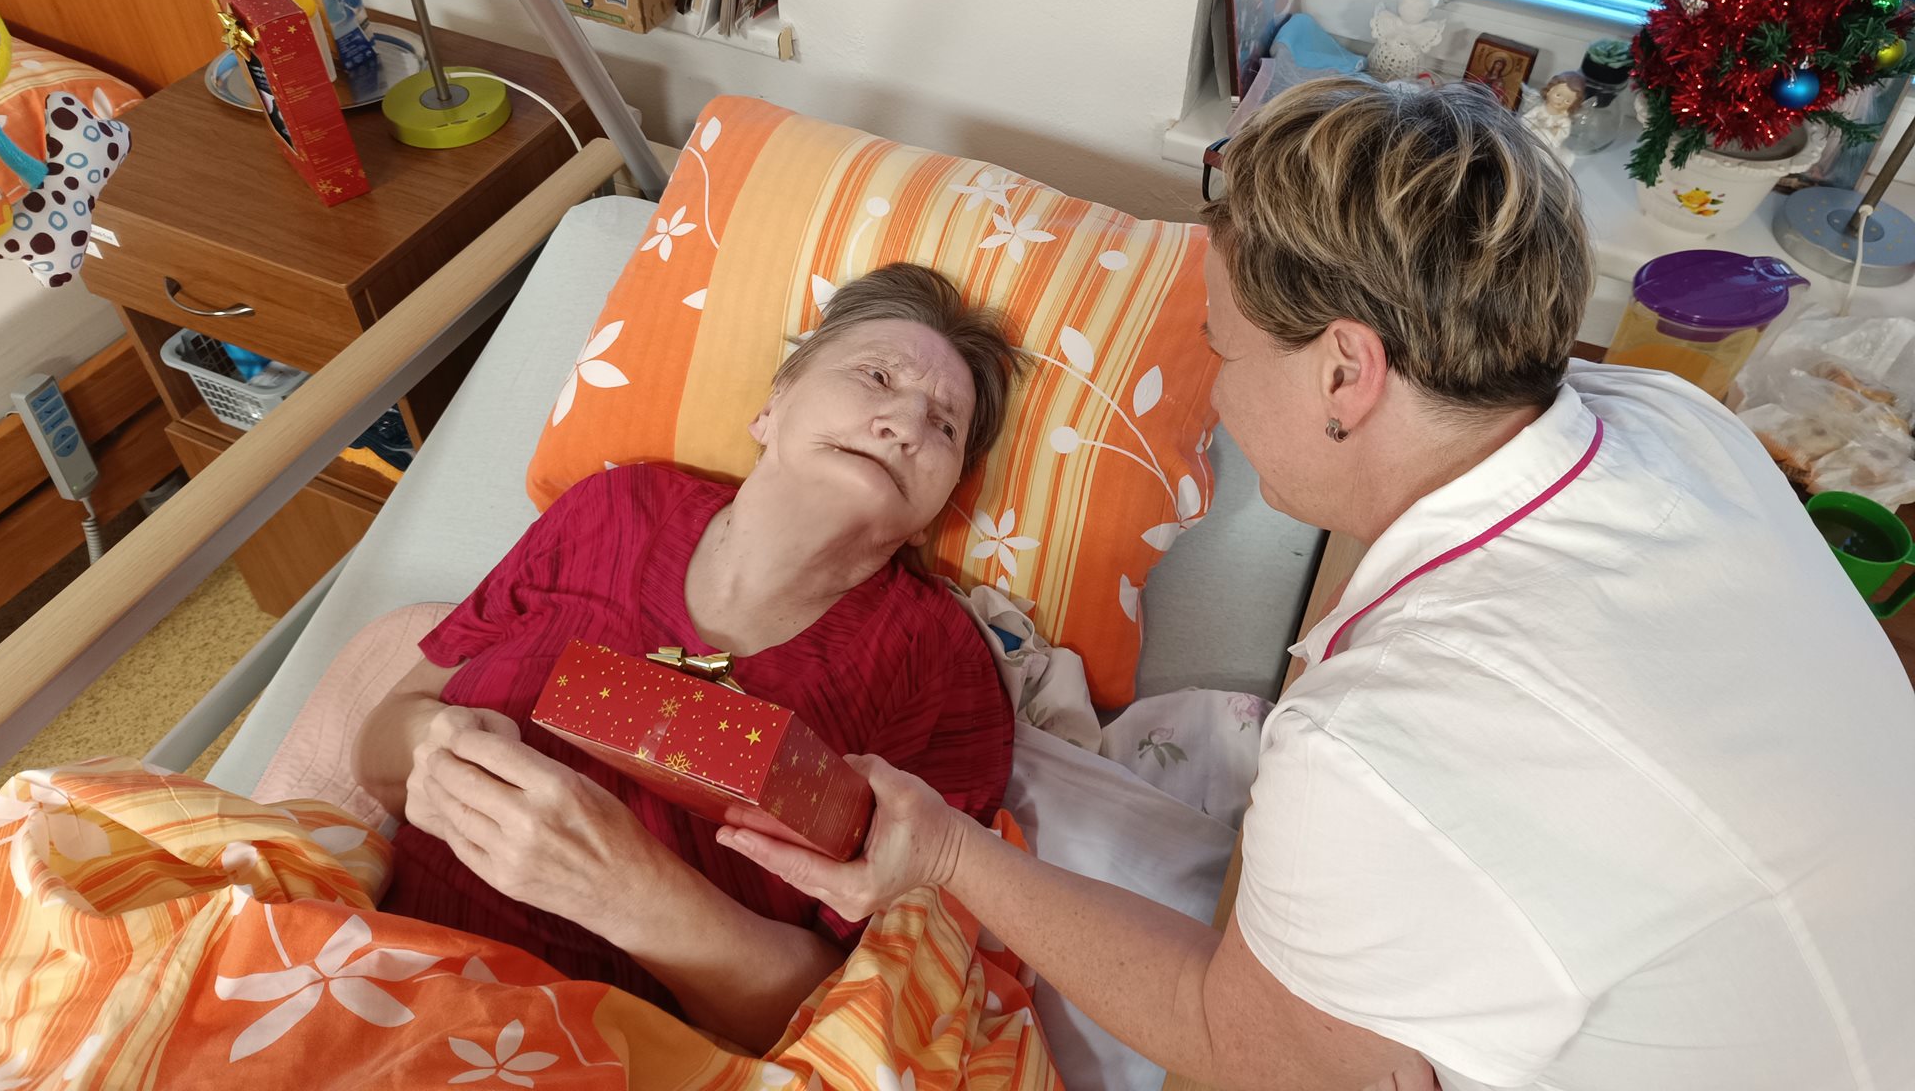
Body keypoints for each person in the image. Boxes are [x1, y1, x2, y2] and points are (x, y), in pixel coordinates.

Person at [722, 78, 1915, 1090]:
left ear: (1347, 372)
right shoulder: (1668, 417)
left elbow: (1243, 1046)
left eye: (1224, 350)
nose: (1217, 398)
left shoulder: (1383, 743)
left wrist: (943, 855)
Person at [355, 263, 1021, 1054]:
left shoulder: (936, 664)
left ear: (930, 517)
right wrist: (437, 753)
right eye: (877, 376)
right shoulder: (611, 508)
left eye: (944, 426)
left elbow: (856, 1016)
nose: (907, 423)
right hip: (369, 978)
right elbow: (381, 743)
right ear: (772, 407)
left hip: (608, 1053)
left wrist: (628, 894)